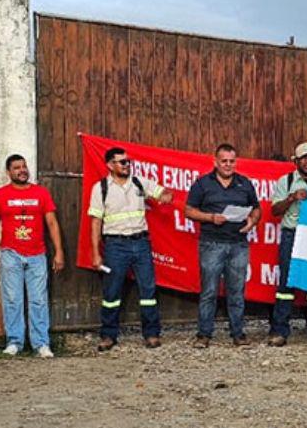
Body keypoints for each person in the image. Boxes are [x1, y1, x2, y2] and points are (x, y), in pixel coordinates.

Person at [0, 154, 64, 358]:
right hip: (11, 254)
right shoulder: (0, 195)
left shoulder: (41, 193)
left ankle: (41, 344)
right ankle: (14, 342)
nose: (22, 170)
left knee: (38, 300)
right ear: (8, 172)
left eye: (24, 166)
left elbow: (52, 223)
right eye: (16, 167)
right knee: (13, 299)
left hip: (37, 254)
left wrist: (59, 252)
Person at [89, 146, 171, 351]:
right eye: (122, 162)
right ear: (110, 165)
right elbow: (95, 222)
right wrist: (96, 253)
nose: (127, 165)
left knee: (148, 290)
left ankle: (151, 334)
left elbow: (164, 193)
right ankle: (108, 335)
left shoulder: (139, 182)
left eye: (128, 162)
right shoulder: (100, 188)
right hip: (115, 246)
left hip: (141, 243)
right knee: (112, 292)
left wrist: (164, 196)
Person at [184, 143, 261, 348]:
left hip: (238, 244)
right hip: (212, 243)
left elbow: (256, 208)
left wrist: (252, 221)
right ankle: (204, 335)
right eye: (224, 161)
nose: (228, 165)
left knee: (236, 291)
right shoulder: (202, 184)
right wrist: (210, 217)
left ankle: (238, 334)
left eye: (231, 161)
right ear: (215, 162)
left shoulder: (245, 183)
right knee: (209, 291)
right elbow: (189, 211)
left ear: (236, 162)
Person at [268, 142, 307, 347]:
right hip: (292, 235)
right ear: (295, 161)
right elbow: (275, 211)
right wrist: (292, 198)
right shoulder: (285, 181)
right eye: (303, 158)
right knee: (286, 284)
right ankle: (279, 331)